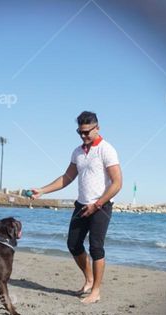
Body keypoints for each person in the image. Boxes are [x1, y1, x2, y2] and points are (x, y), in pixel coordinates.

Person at [30, 111, 122, 304]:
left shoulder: (107, 150)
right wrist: (43, 190)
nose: (83, 136)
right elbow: (67, 177)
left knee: (96, 248)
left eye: (87, 132)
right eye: (80, 132)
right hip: (81, 204)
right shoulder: (78, 152)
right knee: (73, 244)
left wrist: (97, 205)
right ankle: (89, 279)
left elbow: (117, 183)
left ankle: (96, 291)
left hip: (101, 205)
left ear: (97, 128)